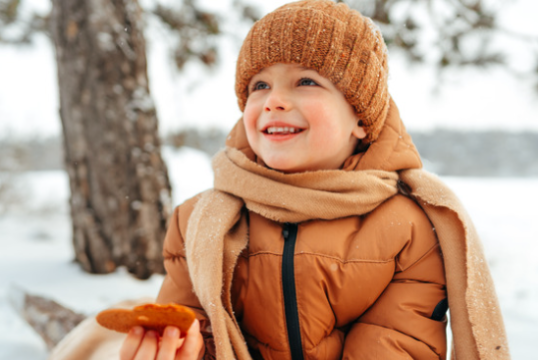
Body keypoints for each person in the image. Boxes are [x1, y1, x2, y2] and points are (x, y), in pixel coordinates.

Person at [112, 1, 510, 359]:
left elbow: (396, 345)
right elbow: (201, 329)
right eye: (259, 85)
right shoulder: (199, 221)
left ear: (359, 117)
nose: (274, 100)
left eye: (306, 81)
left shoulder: (408, 228)